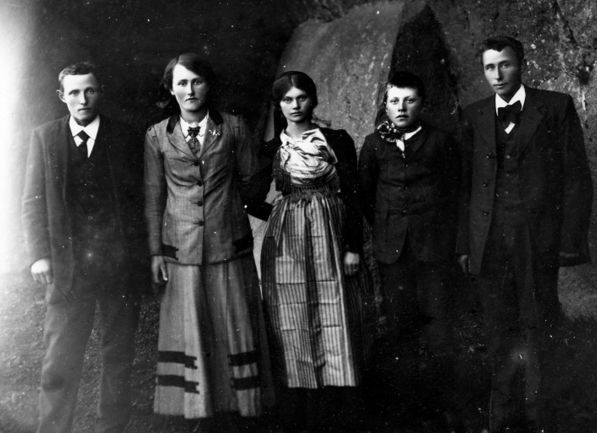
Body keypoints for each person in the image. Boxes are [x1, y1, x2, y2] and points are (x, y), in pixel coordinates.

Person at [457, 36, 593, 433]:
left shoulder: (555, 107)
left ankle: (542, 417)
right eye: (489, 67)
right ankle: (503, 419)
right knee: (499, 330)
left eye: (505, 65)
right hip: (490, 242)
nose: (497, 74)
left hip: (537, 241)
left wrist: (569, 242)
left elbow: (576, 178)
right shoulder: (473, 115)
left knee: (540, 325)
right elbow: (464, 188)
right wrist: (465, 245)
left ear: (522, 65)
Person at [144, 53, 268, 430]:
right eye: (181, 83)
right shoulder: (157, 135)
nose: (190, 90)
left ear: (208, 85)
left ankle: (238, 407)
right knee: (193, 328)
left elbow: (253, 180)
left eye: (196, 81)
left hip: (227, 243)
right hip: (181, 248)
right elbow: (154, 197)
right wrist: (155, 252)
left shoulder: (233, 127)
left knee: (231, 325)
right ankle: (199, 408)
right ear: (170, 89)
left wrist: (228, 207)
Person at [21, 62, 145, 433]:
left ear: (99, 92)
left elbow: (140, 199)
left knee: (118, 354)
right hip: (69, 267)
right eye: (74, 92)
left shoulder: (124, 136)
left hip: (118, 265)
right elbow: (32, 200)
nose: (83, 99)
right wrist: (39, 255)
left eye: (89, 90)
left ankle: (112, 427)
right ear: (62, 97)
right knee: (60, 359)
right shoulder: (46, 137)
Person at [247, 71, 364, 433]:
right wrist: (282, 212)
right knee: (292, 317)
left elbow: (354, 194)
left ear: (313, 100)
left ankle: (338, 412)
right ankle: (299, 413)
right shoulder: (272, 148)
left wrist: (352, 246)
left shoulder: (336, 140)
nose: (295, 106)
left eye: (301, 98)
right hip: (288, 242)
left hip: (331, 236)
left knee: (334, 312)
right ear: (279, 105)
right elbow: (249, 197)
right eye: (287, 100)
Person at [358, 71, 461, 432]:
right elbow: (367, 196)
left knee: (439, 327)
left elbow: (454, 193)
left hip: (433, 251)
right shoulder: (373, 145)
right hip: (393, 253)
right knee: (400, 329)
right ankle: (407, 410)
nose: (401, 108)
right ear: (385, 105)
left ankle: (442, 407)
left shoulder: (440, 142)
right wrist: (389, 230)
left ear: (422, 104)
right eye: (394, 101)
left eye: (409, 100)